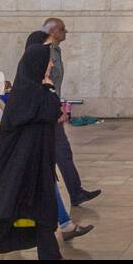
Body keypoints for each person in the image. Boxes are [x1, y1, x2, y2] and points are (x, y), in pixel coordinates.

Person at [0, 40, 89, 260]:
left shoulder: (35, 93)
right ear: (36, 64)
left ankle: (51, 255)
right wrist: (49, 88)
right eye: (47, 61)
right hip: (18, 168)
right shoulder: (28, 96)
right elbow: (53, 111)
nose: (51, 65)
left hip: (37, 165)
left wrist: (48, 88)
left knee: (44, 213)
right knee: (5, 214)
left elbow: (54, 112)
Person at [40, 18, 101, 207]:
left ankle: (76, 192)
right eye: (63, 30)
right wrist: (56, 108)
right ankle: (73, 194)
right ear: (53, 31)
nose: (66, 33)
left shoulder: (55, 50)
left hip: (51, 107)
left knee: (62, 151)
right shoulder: (44, 51)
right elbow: (44, 82)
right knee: (59, 151)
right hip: (47, 109)